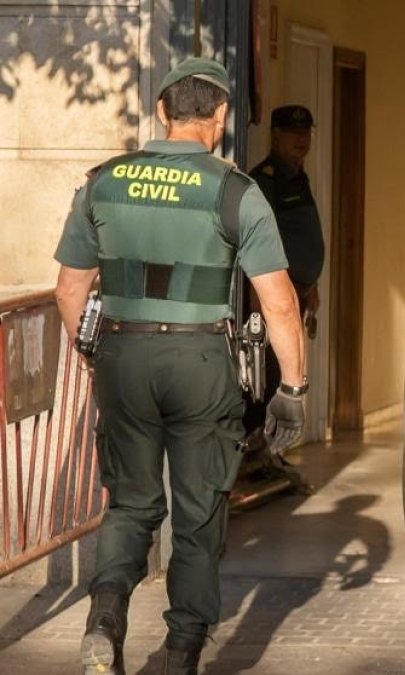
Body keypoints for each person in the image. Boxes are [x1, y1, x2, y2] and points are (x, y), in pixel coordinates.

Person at [52, 57, 308, 675]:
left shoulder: (103, 182)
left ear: (162, 111)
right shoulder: (236, 192)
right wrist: (293, 388)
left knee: (130, 505)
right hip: (200, 361)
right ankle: (180, 652)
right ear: (220, 117)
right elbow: (278, 300)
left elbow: (68, 289)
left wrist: (95, 356)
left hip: (124, 353)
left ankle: (104, 620)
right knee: (198, 515)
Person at [243, 105, 325, 435]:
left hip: (298, 294)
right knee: (268, 376)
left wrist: (311, 282)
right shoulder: (265, 180)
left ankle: (271, 456)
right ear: (275, 136)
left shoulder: (298, 176)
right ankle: (257, 452)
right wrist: (257, 305)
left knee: (285, 369)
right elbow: (255, 245)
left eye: (305, 133)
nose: (301, 140)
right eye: (293, 134)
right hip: (274, 299)